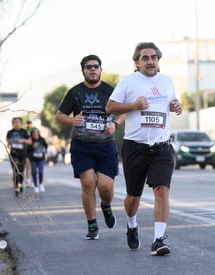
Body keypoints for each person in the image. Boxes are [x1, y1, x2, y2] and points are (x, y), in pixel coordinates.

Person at [105, 42, 182, 256]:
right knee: (133, 197)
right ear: (137, 63)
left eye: (153, 57)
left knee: (162, 191)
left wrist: (177, 106)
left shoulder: (167, 81)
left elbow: (175, 104)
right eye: (145, 58)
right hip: (135, 147)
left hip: (162, 147)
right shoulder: (128, 82)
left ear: (158, 60)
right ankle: (131, 224)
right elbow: (110, 107)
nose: (150, 61)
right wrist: (133, 106)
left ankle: (158, 239)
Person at [56, 54, 125, 240]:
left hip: (105, 145)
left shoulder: (110, 91)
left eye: (96, 66)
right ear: (83, 71)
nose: (92, 69)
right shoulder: (75, 92)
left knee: (105, 186)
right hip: (82, 145)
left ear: (101, 69)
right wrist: (72, 120)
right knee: (87, 184)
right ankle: (92, 224)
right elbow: (59, 116)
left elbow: (123, 112)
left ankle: (106, 205)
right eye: (89, 67)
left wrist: (116, 124)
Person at [6, 117, 32, 197]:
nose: (17, 123)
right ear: (13, 123)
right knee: (15, 170)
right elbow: (7, 141)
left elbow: (29, 141)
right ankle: (16, 188)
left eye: (18, 122)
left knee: (20, 172)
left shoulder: (24, 132)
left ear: (21, 123)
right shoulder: (10, 132)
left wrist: (23, 141)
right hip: (13, 154)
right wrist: (10, 142)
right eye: (15, 122)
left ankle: (20, 187)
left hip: (23, 154)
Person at [27, 127, 48, 193]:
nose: (35, 134)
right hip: (33, 159)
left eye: (37, 132)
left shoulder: (42, 139)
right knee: (34, 172)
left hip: (41, 158)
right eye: (34, 133)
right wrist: (32, 147)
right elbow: (27, 150)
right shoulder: (30, 140)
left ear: (39, 133)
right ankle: (36, 186)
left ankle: (41, 184)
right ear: (32, 134)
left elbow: (46, 146)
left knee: (41, 172)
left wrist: (45, 152)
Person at [25, 120, 33, 188]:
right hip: (26, 150)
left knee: (30, 167)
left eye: (30, 124)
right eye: (28, 124)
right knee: (28, 166)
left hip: (32, 150)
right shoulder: (25, 131)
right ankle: (28, 180)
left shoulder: (33, 131)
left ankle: (29, 180)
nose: (29, 125)